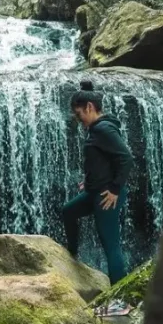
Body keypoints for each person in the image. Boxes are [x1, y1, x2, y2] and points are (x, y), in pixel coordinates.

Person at [63, 79, 132, 285]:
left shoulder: (103, 129)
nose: (78, 119)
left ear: (90, 107)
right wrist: (90, 180)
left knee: (111, 245)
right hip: (95, 190)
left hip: (106, 196)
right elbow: (102, 159)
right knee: (68, 211)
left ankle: (121, 299)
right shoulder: (96, 130)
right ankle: (71, 254)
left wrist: (114, 189)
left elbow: (126, 158)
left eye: (79, 114)